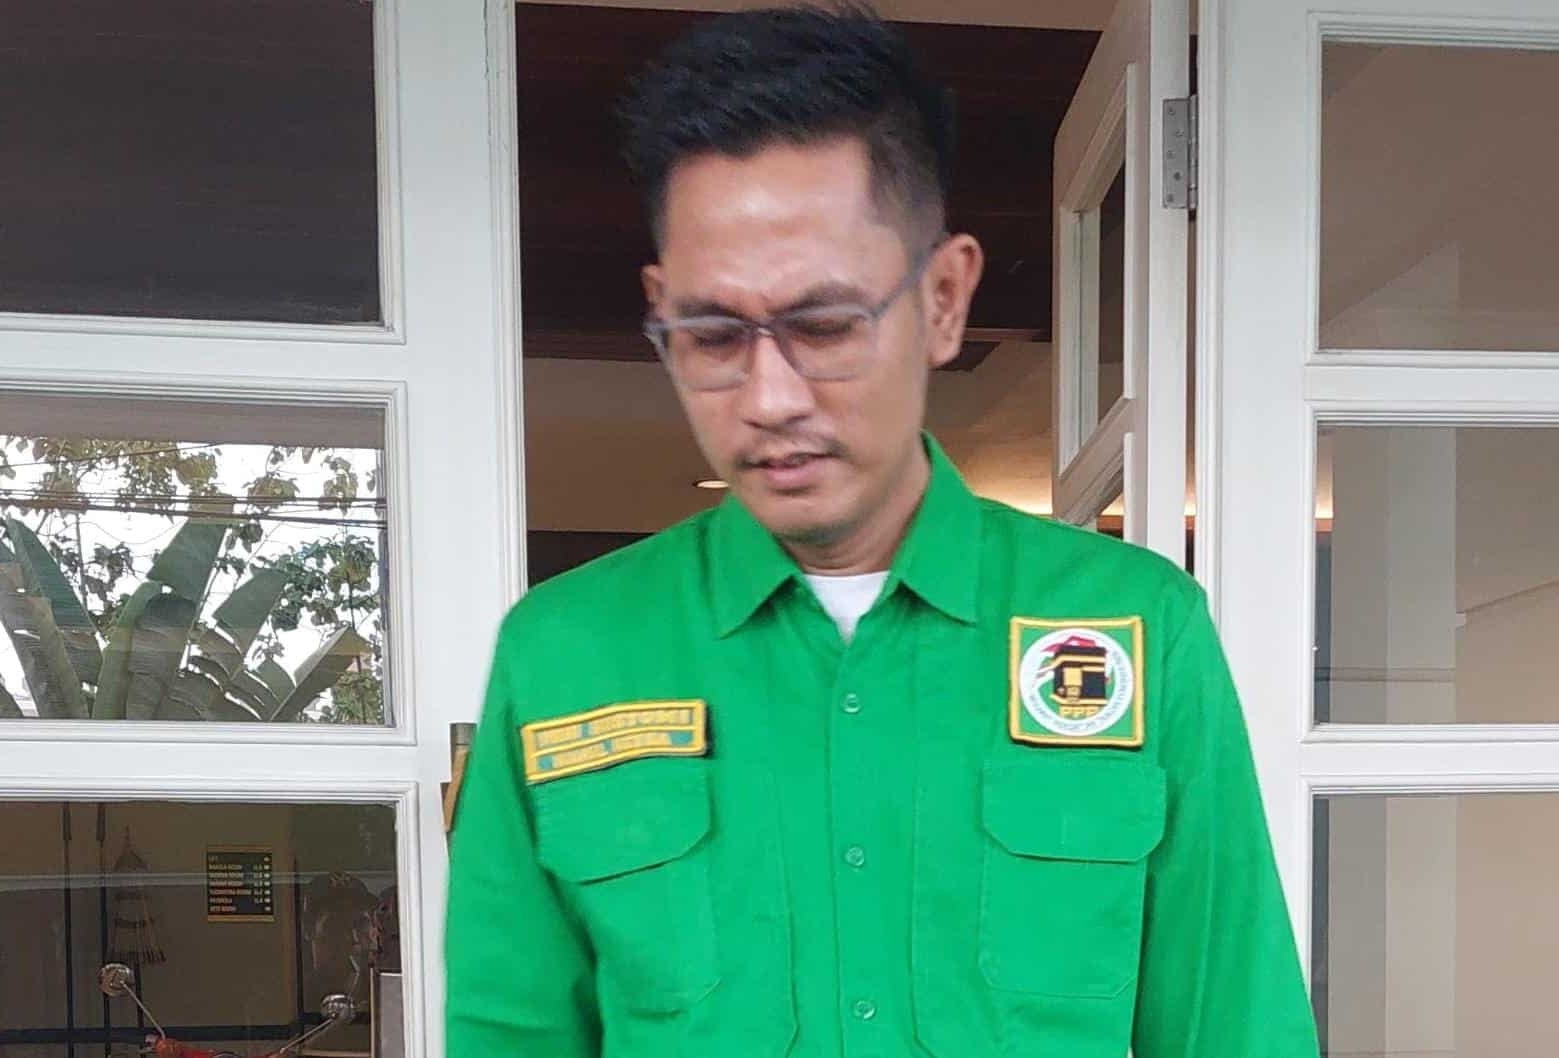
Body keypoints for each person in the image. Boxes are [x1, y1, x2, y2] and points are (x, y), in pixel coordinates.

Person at [445, 5, 1320, 1056]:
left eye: (823, 326)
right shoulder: (563, 655)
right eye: (713, 335)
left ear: (943, 298)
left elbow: (1238, 1027)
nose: (770, 397)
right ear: (661, 309)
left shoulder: (1137, 628)